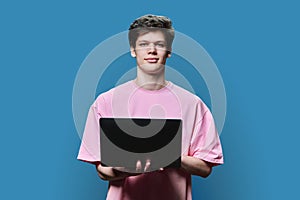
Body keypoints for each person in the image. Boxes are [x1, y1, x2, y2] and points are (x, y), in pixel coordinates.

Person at [77, 14, 224, 200]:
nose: (152, 50)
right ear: (133, 50)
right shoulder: (105, 102)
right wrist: (127, 169)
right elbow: (102, 171)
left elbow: (204, 169)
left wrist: (168, 156)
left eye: (160, 45)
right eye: (144, 44)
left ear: (169, 51)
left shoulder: (193, 104)